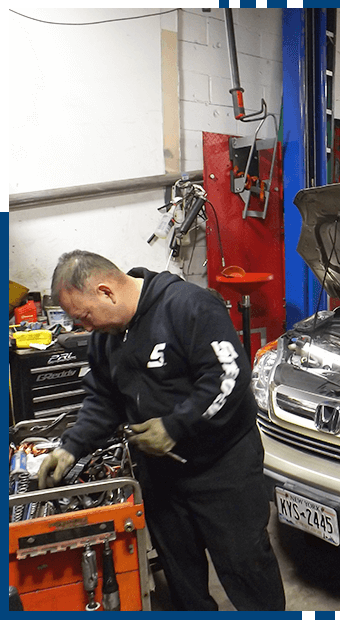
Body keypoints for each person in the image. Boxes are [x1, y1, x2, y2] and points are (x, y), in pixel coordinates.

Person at [38, 250, 286, 611]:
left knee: (245, 564)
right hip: (160, 475)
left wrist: (174, 425)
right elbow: (103, 399)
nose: (85, 328)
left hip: (222, 468)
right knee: (181, 574)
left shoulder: (188, 306)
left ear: (106, 292)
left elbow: (228, 377)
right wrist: (70, 447)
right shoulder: (106, 337)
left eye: (85, 317)